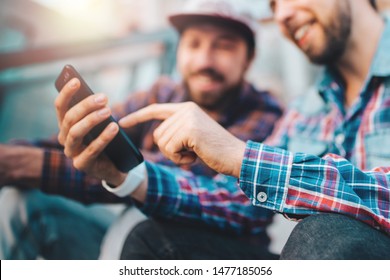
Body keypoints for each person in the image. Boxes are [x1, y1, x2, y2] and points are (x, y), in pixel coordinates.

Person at [55, 0, 390, 260]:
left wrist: (240, 156)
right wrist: (128, 175)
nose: (282, 14)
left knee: (326, 231)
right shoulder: (305, 109)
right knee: (152, 240)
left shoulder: (266, 110)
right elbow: (243, 204)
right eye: (274, 3)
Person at [0, 0, 283, 260]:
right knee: (21, 201)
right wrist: (13, 156)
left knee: (140, 223)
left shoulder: (266, 114)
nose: (204, 61)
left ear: (249, 58)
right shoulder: (161, 92)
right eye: (194, 44)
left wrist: (30, 165)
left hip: (212, 253)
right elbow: (107, 134)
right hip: (130, 245)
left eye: (224, 46)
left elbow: (182, 178)